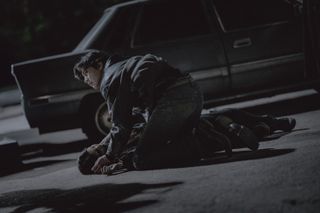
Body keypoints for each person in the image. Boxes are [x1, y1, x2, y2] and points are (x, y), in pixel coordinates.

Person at [74, 50, 206, 171]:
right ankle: (206, 134)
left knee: (141, 159)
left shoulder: (108, 80)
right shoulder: (124, 65)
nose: (86, 80)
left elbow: (121, 124)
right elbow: (137, 116)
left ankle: (197, 143)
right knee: (174, 144)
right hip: (192, 89)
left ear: (99, 64)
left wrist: (109, 156)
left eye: (86, 73)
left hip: (174, 99)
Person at [77, 108, 296, 175]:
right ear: (98, 161)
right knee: (217, 121)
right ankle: (265, 125)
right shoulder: (120, 154)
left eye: (94, 146)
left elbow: (127, 124)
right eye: (96, 150)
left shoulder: (114, 140)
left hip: (186, 132)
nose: (99, 145)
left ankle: (265, 126)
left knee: (221, 119)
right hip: (187, 137)